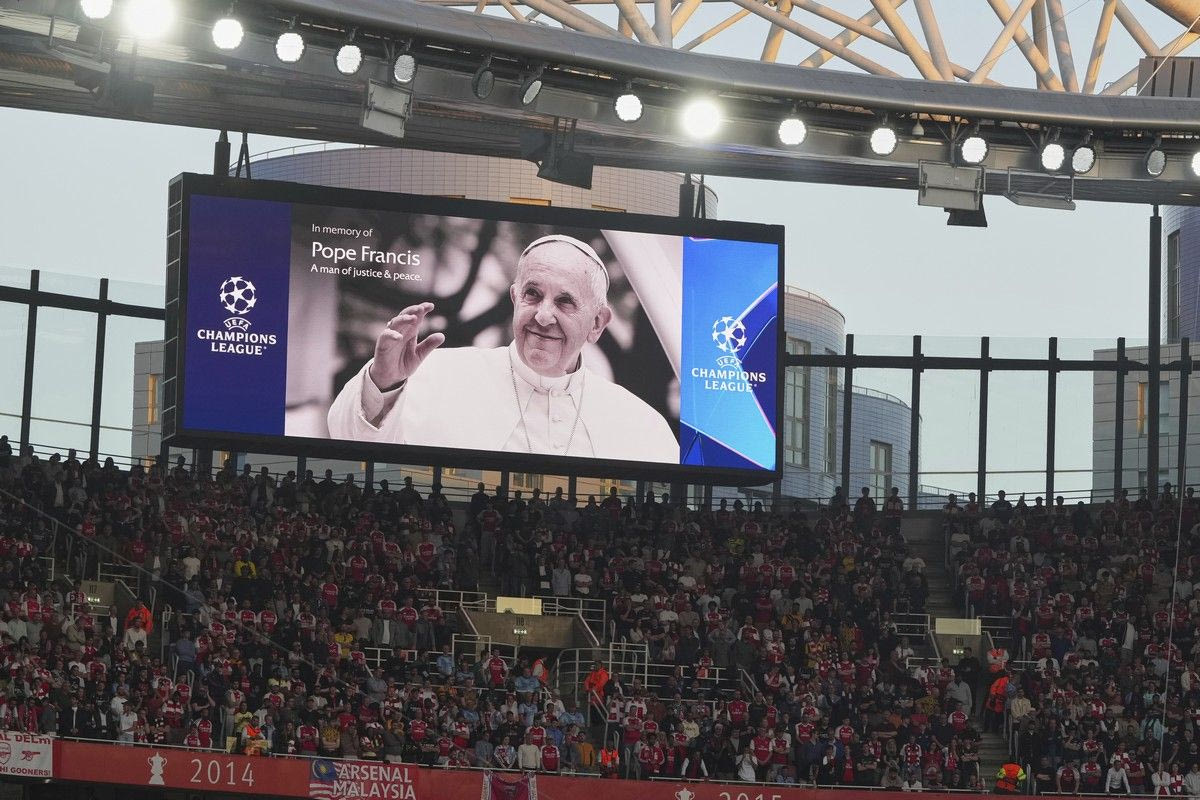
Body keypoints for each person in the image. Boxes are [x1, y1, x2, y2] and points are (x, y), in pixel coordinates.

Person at [328, 235, 678, 462]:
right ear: (514, 298)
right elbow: (347, 439)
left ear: (598, 322)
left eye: (565, 301)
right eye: (532, 294)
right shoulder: (434, 374)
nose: (543, 316)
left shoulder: (641, 424)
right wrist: (383, 383)